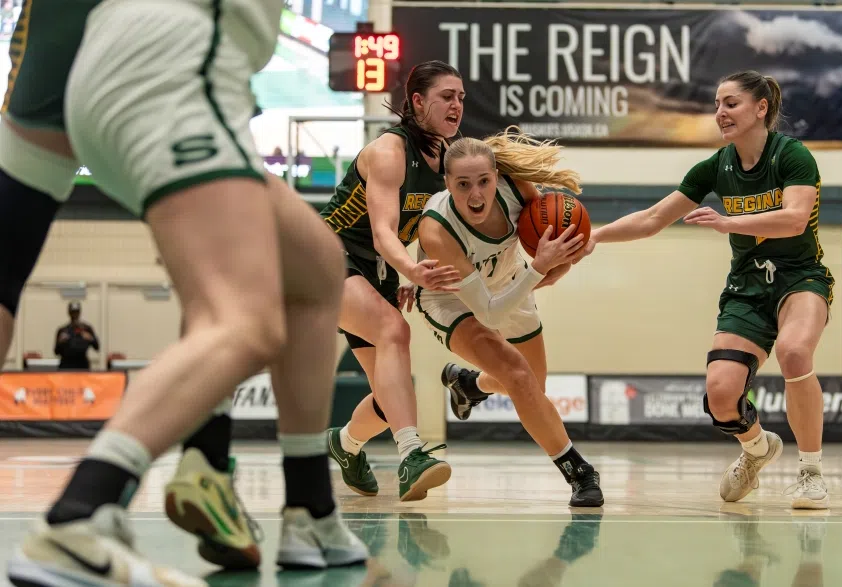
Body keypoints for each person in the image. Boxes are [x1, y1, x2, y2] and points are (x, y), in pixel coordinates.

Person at [7, 2, 368, 586]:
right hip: (174, 62)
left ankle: (312, 511)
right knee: (245, 321)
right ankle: (81, 517)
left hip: (112, 77)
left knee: (316, 264)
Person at [584, 70, 832, 509]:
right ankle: (758, 449)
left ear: (761, 108)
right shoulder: (715, 166)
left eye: (731, 103)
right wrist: (593, 238)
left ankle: (811, 472)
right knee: (721, 396)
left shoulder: (792, 156)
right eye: (717, 104)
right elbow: (652, 218)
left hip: (800, 276)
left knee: (795, 352)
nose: (720, 112)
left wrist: (727, 223)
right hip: (747, 285)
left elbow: (794, 218)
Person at [415, 129, 604, 507]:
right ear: (447, 183)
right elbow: (486, 311)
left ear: (497, 177)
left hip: (509, 279)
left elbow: (545, 256)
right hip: (452, 299)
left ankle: (470, 386)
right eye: (463, 184)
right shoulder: (437, 227)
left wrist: (562, 261)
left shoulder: (519, 190)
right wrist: (538, 270)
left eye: (484, 181)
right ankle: (579, 472)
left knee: (533, 384)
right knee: (517, 375)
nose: (476, 194)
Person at [322, 61, 465, 502]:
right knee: (393, 330)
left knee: (388, 398)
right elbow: (384, 229)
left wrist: (415, 269)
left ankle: (345, 445)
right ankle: (411, 455)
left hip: (377, 269)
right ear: (418, 102)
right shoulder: (389, 151)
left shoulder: (446, 160)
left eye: (461, 97)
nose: (457, 105)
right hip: (328, 257)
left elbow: (428, 227)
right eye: (447, 96)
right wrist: (408, 267)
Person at [54, 302, 99, 370]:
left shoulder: (86, 328)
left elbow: (97, 347)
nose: (74, 315)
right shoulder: (63, 330)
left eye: (76, 312)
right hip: (66, 365)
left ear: (79, 313)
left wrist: (91, 338)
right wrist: (60, 342)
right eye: (73, 312)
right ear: (69, 313)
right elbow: (56, 352)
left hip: (82, 365)